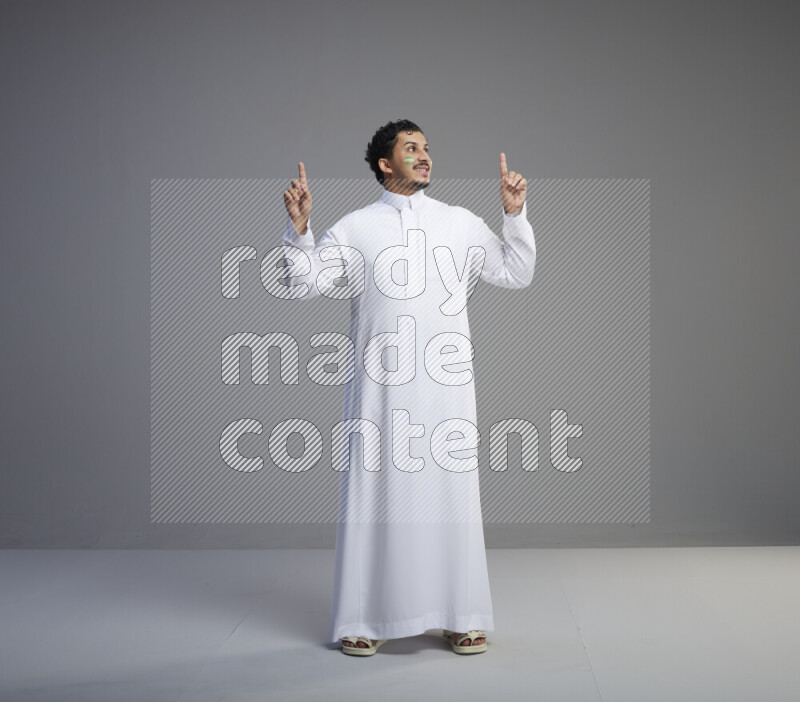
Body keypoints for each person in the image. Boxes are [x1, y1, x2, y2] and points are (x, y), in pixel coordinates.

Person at [280, 119, 536, 655]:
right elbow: (306, 284)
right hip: (380, 392)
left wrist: (514, 214)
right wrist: (301, 230)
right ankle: (363, 620)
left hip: (446, 391)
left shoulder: (459, 223)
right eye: (411, 149)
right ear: (384, 163)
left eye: (426, 149)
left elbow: (516, 272)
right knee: (376, 496)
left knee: (449, 496)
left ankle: (459, 614)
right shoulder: (355, 228)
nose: (425, 157)